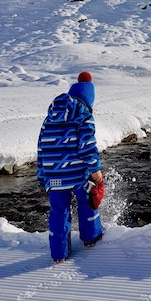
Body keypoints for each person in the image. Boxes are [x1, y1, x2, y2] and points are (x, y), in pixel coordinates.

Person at [37, 71, 104, 264]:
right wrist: (95, 169)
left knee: (59, 211)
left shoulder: (49, 118)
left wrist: (43, 175)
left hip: (54, 175)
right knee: (87, 202)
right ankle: (91, 237)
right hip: (77, 173)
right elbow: (87, 145)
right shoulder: (83, 116)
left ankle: (59, 254)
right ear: (88, 100)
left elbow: (41, 148)